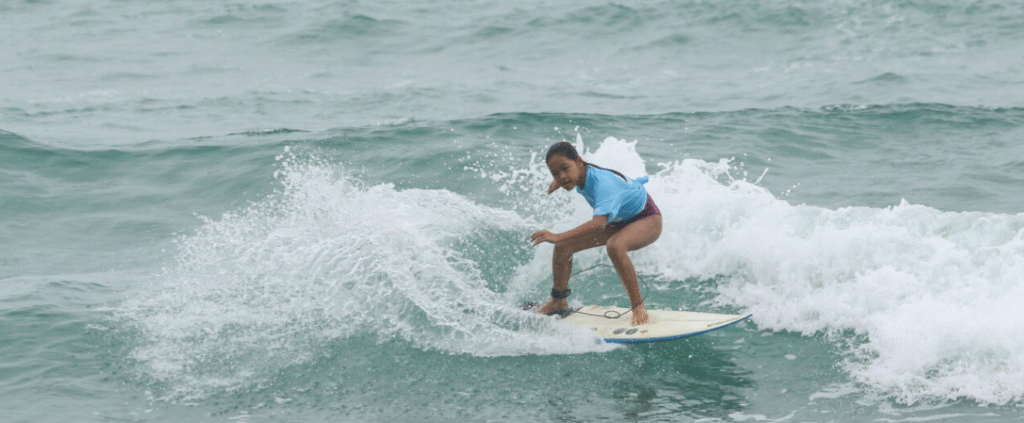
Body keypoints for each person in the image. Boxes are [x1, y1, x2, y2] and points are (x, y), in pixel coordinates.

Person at [530, 142, 662, 326]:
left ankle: (638, 306)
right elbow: (567, 174)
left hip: (646, 219)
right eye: (555, 173)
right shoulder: (578, 174)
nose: (562, 176)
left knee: (615, 246)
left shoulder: (603, 185)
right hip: (618, 220)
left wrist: (557, 235)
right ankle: (558, 301)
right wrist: (559, 182)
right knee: (564, 246)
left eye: (565, 169)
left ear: (579, 162)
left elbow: (599, 224)